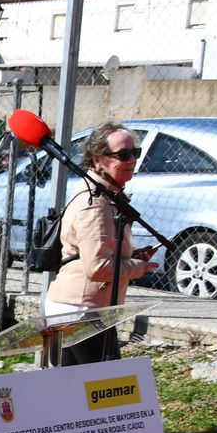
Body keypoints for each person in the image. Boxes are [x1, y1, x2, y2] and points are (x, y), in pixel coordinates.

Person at [44, 122, 160, 366]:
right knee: (108, 391)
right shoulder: (94, 204)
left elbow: (99, 252)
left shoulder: (107, 197)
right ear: (98, 160)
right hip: (80, 311)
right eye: (122, 155)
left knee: (73, 393)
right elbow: (97, 268)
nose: (132, 160)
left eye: (134, 153)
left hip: (83, 309)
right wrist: (137, 267)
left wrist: (133, 255)